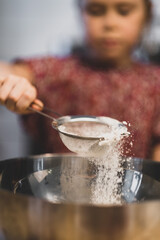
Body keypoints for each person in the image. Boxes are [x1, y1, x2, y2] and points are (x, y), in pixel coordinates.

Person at [0, 0, 159, 160]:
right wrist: (10, 82)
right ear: (81, 13)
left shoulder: (155, 82)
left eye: (124, 11)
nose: (110, 24)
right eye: (95, 11)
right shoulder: (55, 72)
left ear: (147, 15)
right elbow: (11, 71)